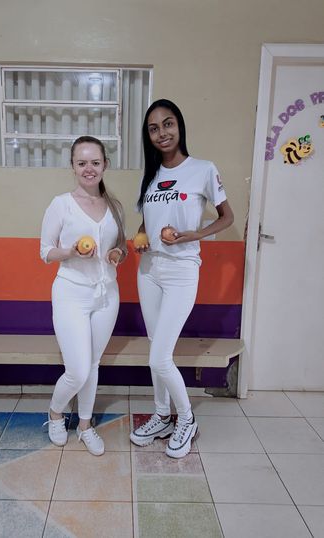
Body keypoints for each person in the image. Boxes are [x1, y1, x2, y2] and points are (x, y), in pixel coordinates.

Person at [130, 99, 234, 458]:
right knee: (155, 349)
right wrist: (140, 236)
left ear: (179, 126)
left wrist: (195, 234)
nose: (162, 133)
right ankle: (162, 415)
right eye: (153, 128)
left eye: (168, 123)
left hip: (181, 271)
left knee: (160, 357)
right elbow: (147, 220)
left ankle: (187, 419)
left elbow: (227, 217)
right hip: (149, 271)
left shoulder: (203, 169)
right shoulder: (150, 176)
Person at [40, 135, 126, 456]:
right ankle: (55, 413)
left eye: (95, 162)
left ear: (105, 164)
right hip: (70, 294)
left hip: (107, 295)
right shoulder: (60, 204)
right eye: (82, 163)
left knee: (92, 364)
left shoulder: (114, 206)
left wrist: (117, 253)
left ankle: (85, 425)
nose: (89, 168)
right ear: (73, 166)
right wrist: (71, 252)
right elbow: (45, 251)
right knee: (77, 370)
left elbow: (122, 246)